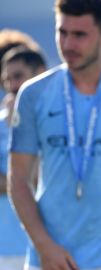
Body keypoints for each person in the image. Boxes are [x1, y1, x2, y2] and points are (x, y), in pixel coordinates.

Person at [8, 0, 101, 269]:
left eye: (79, 35)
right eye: (62, 32)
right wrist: (45, 246)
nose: (67, 44)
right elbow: (18, 179)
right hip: (48, 259)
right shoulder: (33, 94)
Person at [0, 47, 46, 269]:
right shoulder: (1, 124)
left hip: (50, 247)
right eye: (6, 79)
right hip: (6, 249)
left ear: (40, 74)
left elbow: (42, 180)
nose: (11, 86)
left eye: (18, 76)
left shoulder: (59, 123)